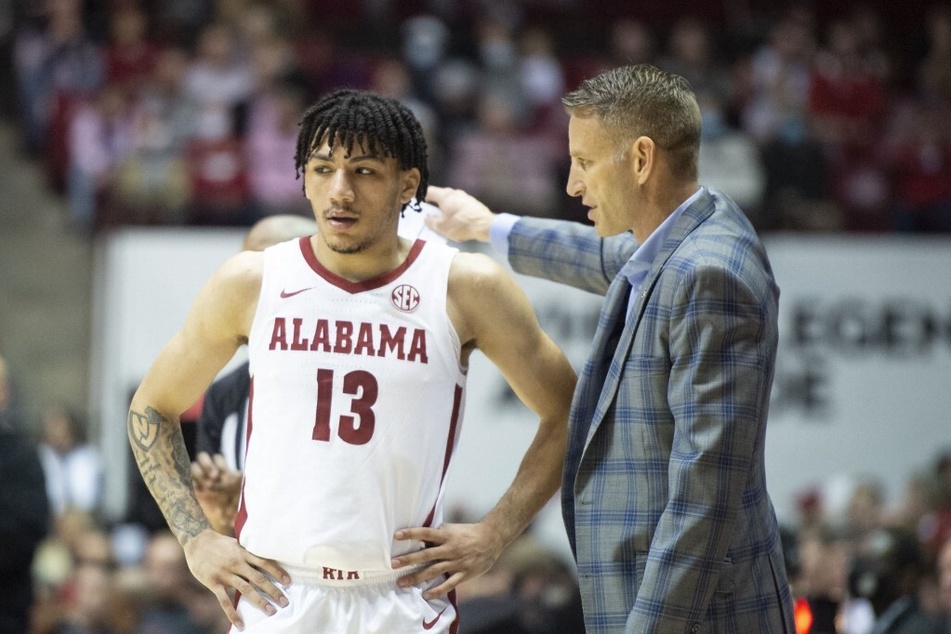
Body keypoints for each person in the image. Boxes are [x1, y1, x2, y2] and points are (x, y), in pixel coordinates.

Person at [127, 88, 576, 633]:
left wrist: (496, 531)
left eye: (363, 171)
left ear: (408, 184)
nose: (340, 191)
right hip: (277, 592)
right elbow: (151, 406)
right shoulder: (251, 281)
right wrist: (196, 539)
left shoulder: (464, 286)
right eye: (322, 169)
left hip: (402, 596)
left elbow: (569, 410)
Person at [416, 64, 795, 632]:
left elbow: (703, 499)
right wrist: (490, 227)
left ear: (641, 159)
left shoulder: (708, 276)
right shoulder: (689, 229)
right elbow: (603, 257)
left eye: (585, 163)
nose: (572, 184)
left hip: (692, 616)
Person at [190, 213, 318, 536]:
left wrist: (250, 490)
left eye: (266, 272)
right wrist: (216, 505)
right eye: (246, 271)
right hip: (255, 574)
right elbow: (221, 527)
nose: (248, 287)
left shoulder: (347, 376)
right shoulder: (224, 394)